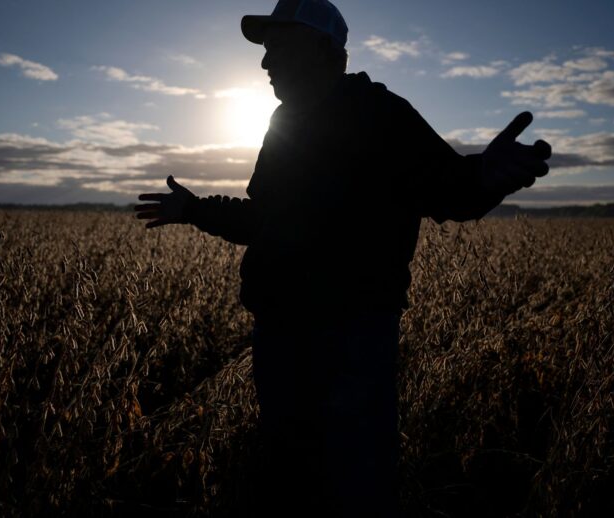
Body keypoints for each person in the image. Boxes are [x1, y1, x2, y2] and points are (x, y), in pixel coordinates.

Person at [134, 0, 552, 516]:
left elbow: (452, 190)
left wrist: (488, 177)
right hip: (279, 334)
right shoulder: (283, 123)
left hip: (353, 340)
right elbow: (265, 218)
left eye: (277, 46)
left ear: (322, 49)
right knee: (291, 479)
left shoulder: (381, 114)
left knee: (357, 483)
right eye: (265, 51)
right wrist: (193, 209)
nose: (265, 63)